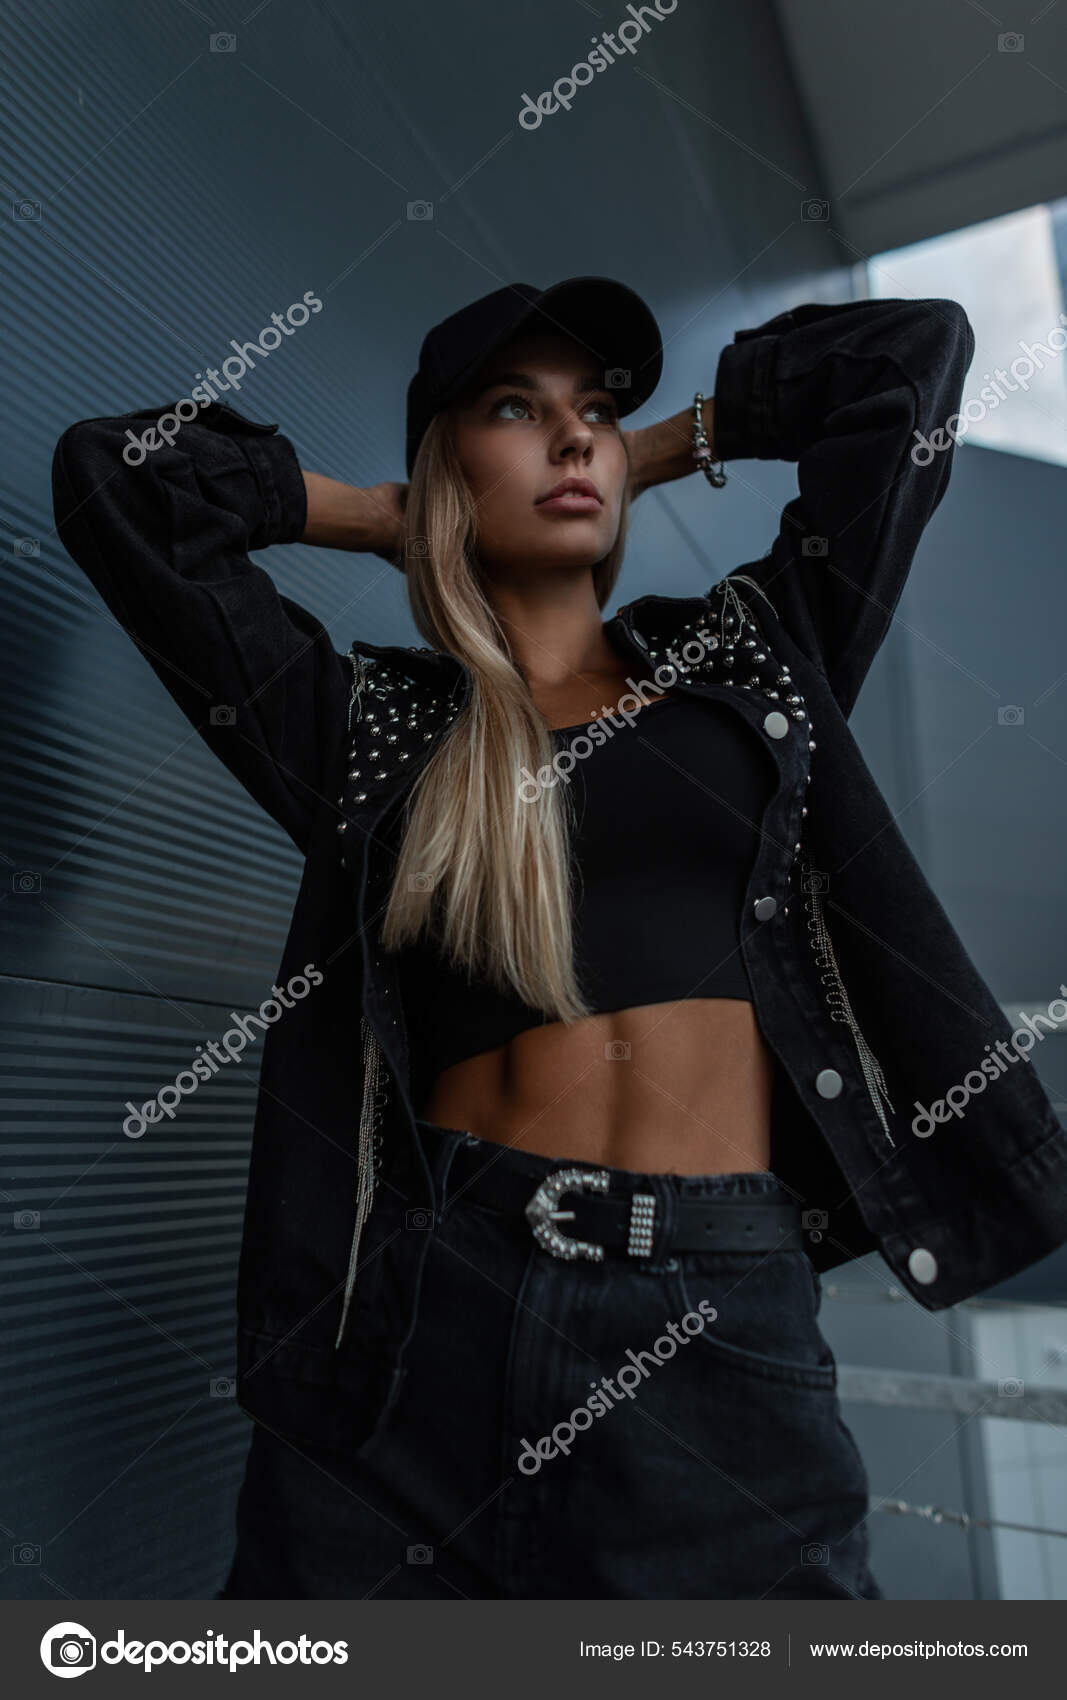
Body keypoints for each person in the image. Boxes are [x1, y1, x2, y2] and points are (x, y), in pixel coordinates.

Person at [51, 278, 1067, 1602]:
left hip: (715, 1319)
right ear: (445, 457)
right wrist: (381, 518)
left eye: (594, 410)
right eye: (517, 410)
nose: (576, 435)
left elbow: (910, 363)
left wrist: (652, 449)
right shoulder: (372, 736)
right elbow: (114, 483)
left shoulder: (749, 663)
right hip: (426, 1318)